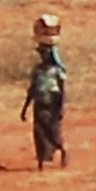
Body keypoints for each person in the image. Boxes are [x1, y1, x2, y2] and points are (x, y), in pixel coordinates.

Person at [21, 12, 70, 171]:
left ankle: (62, 149)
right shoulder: (38, 70)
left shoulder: (56, 71)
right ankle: (41, 161)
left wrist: (61, 106)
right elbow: (32, 89)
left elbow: (62, 90)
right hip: (40, 102)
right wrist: (25, 107)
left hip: (52, 102)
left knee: (52, 130)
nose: (42, 56)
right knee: (39, 131)